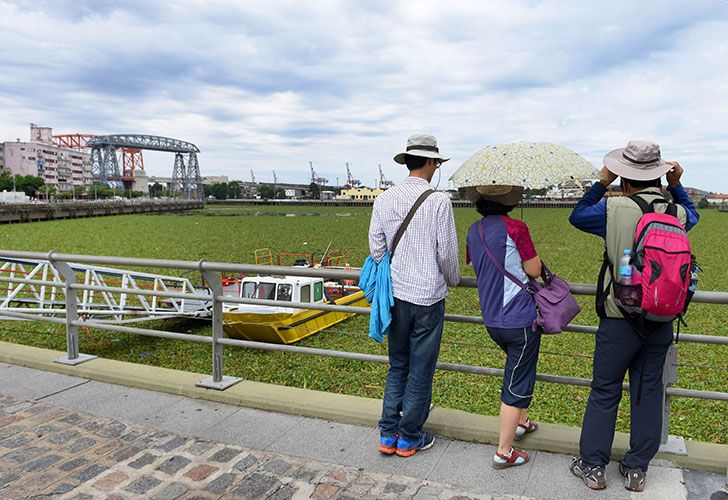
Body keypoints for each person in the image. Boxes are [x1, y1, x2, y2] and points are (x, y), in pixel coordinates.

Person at [568, 140, 699, 492]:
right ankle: (637, 469)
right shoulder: (677, 213)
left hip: (617, 317)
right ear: (659, 176)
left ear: (624, 178)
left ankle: (593, 466)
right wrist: (677, 186)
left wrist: (601, 182)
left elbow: (577, 215)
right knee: (648, 392)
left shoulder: (614, 209)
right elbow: (695, 215)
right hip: (660, 321)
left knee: (604, 390)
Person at [368, 133, 460, 457]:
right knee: (421, 368)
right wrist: (454, 279)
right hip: (428, 298)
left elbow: (377, 250)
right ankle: (408, 436)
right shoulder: (438, 201)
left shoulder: (384, 199)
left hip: (394, 296)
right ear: (432, 163)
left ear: (407, 161)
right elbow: (447, 254)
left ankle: (387, 433)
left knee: (398, 365)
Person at [465, 185, 543, 469]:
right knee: (516, 383)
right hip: (519, 319)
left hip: (492, 319)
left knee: (519, 370)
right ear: (509, 202)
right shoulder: (516, 227)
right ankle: (504, 451)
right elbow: (533, 270)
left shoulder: (473, 230)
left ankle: (521, 423)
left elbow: (476, 263)